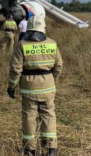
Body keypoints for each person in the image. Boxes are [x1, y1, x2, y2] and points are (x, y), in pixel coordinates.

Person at [7, 15, 63, 156]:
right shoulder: (52, 43)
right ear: (43, 28)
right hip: (48, 86)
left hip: (29, 89)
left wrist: (11, 86)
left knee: (29, 117)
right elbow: (59, 65)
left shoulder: (22, 45)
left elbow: (15, 69)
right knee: (49, 115)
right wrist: (51, 79)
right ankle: (51, 149)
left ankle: (30, 149)